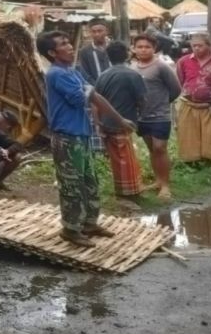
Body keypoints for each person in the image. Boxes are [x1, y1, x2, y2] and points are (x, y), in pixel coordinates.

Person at [38, 31, 136, 247]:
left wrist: (120, 120)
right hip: (66, 137)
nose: (70, 46)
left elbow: (95, 96)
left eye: (68, 41)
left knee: (89, 181)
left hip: (81, 134)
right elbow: (78, 98)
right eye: (64, 44)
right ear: (52, 53)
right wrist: (89, 89)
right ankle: (71, 229)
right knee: (71, 185)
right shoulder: (56, 74)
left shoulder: (71, 72)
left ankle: (89, 223)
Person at [131, 33, 182, 199]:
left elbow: (176, 89)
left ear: (154, 49)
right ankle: (158, 180)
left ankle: (166, 186)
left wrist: (162, 103)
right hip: (141, 116)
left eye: (147, 47)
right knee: (152, 149)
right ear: (134, 48)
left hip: (160, 115)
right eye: (140, 47)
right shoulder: (132, 67)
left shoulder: (161, 66)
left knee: (160, 148)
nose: (143, 50)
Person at [94, 41, 147, 198]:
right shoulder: (133, 75)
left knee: (117, 157)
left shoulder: (103, 76)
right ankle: (128, 192)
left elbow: (95, 102)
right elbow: (142, 100)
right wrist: (140, 116)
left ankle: (128, 190)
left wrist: (98, 124)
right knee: (125, 158)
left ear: (109, 57)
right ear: (127, 55)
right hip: (124, 121)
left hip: (106, 122)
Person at [175, 33, 211, 165]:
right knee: (189, 133)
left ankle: (208, 159)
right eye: (194, 46)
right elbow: (181, 80)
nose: (196, 48)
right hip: (188, 104)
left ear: (209, 46)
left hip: (209, 105)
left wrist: (209, 92)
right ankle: (191, 161)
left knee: (209, 134)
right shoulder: (183, 61)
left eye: (200, 45)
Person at [76, 20, 112, 85]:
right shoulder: (85, 51)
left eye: (100, 31)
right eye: (93, 32)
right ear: (90, 33)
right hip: (96, 88)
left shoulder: (114, 47)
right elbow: (85, 74)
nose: (97, 34)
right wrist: (97, 86)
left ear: (106, 31)